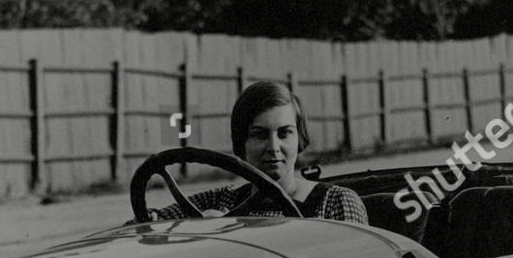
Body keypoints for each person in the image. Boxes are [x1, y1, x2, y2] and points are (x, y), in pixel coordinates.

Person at [141, 80, 369, 225]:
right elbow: (141, 225)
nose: (273, 146)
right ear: (242, 143)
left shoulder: (335, 203)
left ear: (300, 138)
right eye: (260, 135)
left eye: (284, 133)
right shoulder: (222, 200)